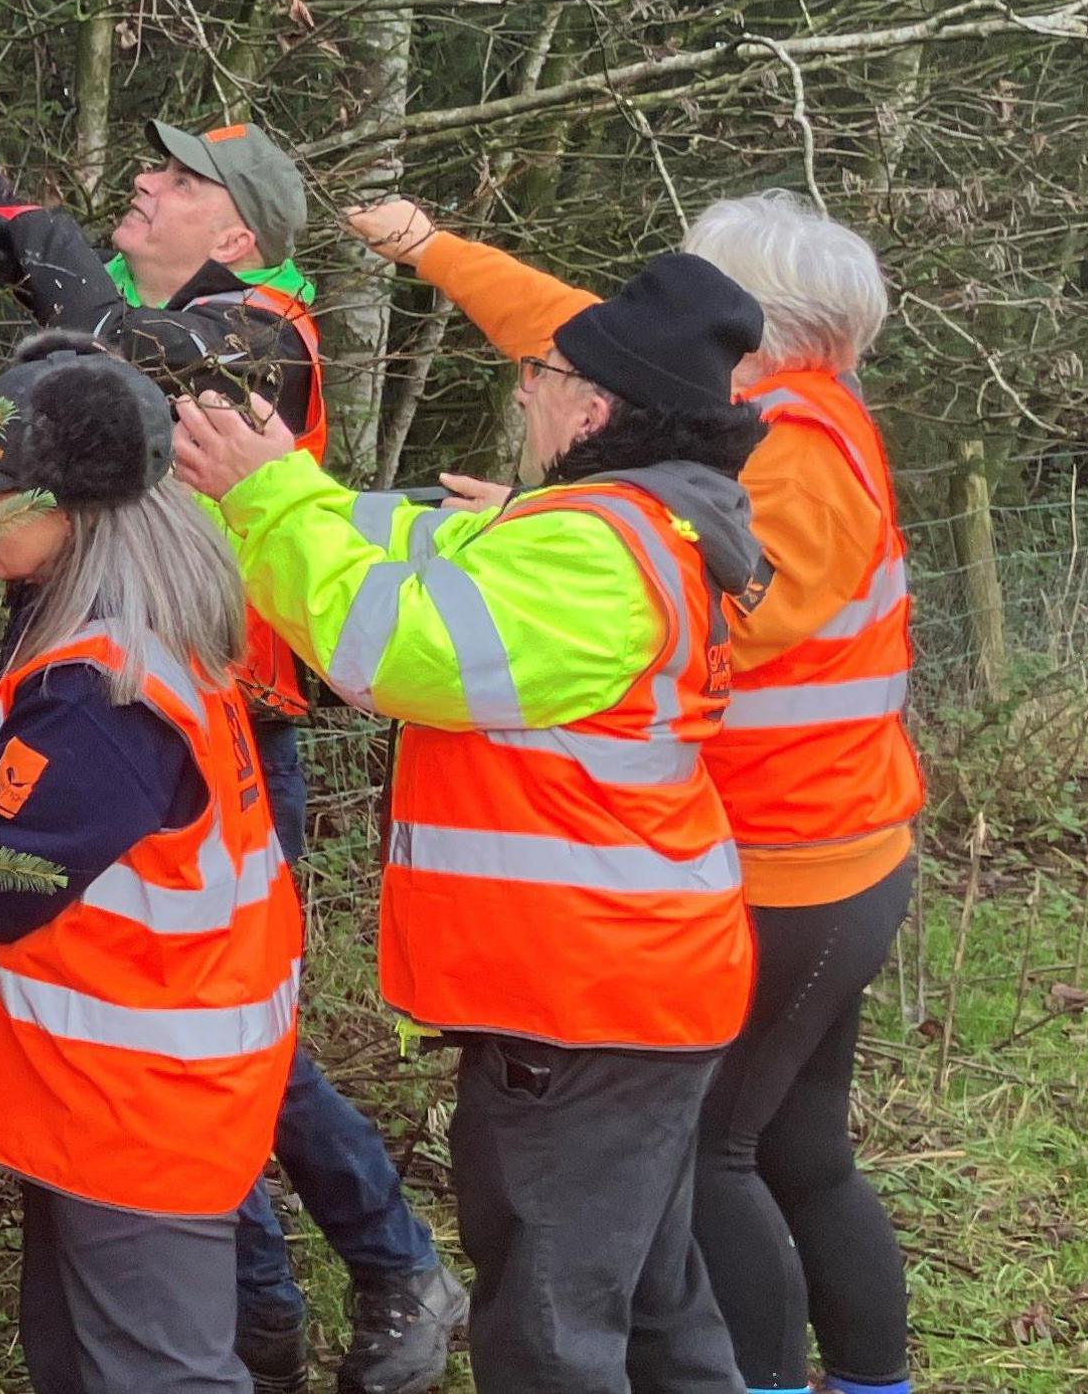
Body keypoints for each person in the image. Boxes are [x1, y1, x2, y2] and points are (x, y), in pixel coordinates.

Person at [0, 0, 462, 1393]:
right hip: (109, 711)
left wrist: (50, 271)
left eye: (179, 177)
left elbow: (107, 343)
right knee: (187, 1036)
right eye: (151, 166)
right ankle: (253, 1330)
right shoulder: (137, 315)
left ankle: (387, 1269)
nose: (146, 182)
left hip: (210, 732)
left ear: (238, 225)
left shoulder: (257, 333)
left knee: (227, 1038)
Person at [171, 253, 777, 1394]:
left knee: (552, 1336)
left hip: (583, 1005)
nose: (522, 389)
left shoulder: (591, 550)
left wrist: (266, 493)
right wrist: (267, 487)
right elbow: (403, 555)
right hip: (627, 991)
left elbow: (391, 649)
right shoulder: (610, 526)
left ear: (595, 406)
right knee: (650, 1309)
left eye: (540, 372)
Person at [344, 192, 917, 1394]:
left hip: (790, 863)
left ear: (753, 322)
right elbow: (566, 324)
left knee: (717, 1159)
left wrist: (549, 528)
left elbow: (698, 587)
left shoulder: (795, 460)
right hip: (827, 849)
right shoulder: (794, 412)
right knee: (799, 1153)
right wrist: (427, 245)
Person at [0, 336, 302, 1394]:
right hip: (114, 1088)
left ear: (70, 506)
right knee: (80, 1357)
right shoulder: (105, 646)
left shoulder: (108, 685)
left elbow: (3, 876)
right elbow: (30, 780)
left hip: (139, 1103)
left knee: (157, 1373)